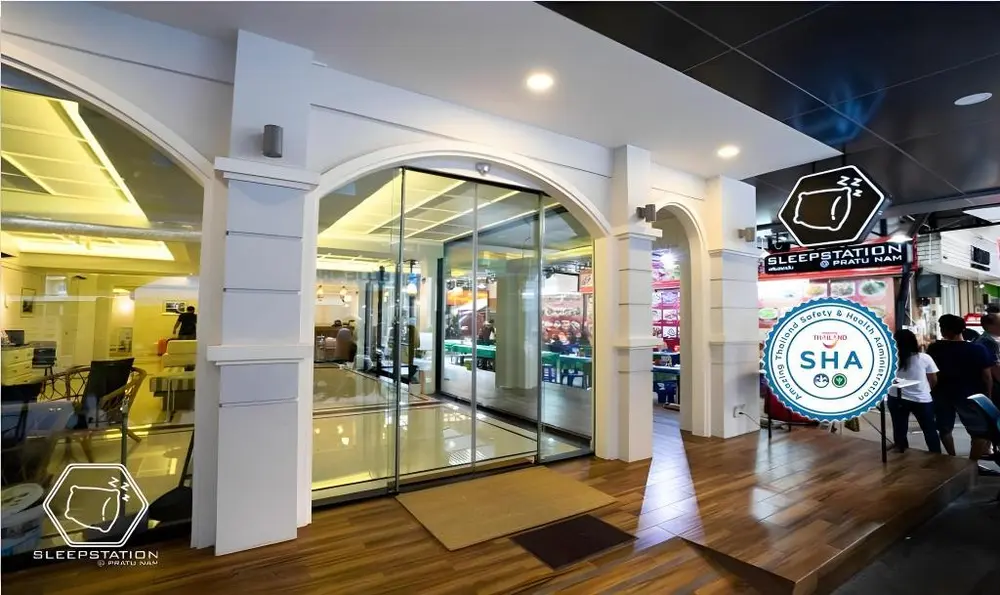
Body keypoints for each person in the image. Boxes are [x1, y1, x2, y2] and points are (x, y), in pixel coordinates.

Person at [926, 314, 993, 459]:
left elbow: (931, 374)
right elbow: (987, 376)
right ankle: (972, 463)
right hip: (971, 395)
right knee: (980, 432)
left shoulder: (935, 348)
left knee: (945, 429)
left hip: (942, 394)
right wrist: (988, 396)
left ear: (945, 330)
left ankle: (952, 458)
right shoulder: (978, 349)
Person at [887, 329, 940, 453]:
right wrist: (926, 390)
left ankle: (901, 452)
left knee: (899, 428)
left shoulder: (891, 358)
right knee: (929, 430)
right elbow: (933, 379)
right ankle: (936, 455)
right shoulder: (924, 358)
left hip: (896, 397)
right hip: (921, 399)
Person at [975, 313, 1000, 405]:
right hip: (995, 386)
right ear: (990, 326)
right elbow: (995, 368)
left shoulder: (990, 339)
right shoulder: (988, 342)